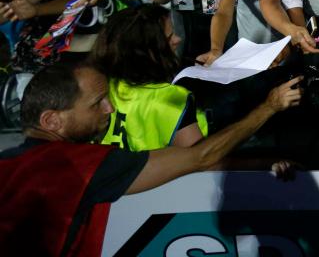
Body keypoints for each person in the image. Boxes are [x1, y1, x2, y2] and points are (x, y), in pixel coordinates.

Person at [0, 62, 301, 256]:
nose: (108, 109)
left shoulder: (7, 163)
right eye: (96, 103)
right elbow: (198, 157)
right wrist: (270, 107)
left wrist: (258, 166)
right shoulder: (78, 164)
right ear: (52, 121)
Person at [91, 4, 208, 150]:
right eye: (169, 37)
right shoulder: (170, 98)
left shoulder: (102, 87)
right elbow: (200, 159)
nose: (178, 39)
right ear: (144, 53)